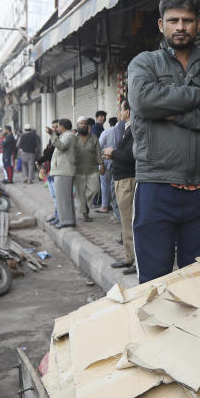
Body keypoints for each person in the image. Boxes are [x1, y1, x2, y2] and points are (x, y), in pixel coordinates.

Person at [127, 0, 200, 283]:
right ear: (161, 25)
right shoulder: (145, 63)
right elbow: (143, 101)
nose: (180, 26)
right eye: (173, 20)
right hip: (156, 185)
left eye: (187, 20)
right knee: (154, 280)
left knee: (197, 280)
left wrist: (177, 114)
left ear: (198, 25)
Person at [105, 100, 137, 274]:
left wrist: (113, 152)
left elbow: (131, 155)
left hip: (127, 180)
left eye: (121, 108)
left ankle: (134, 260)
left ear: (128, 112)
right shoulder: (126, 128)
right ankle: (128, 257)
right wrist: (114, 155)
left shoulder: (134, 129)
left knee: (129, 221)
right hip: (121, 179)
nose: (119, 111)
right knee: (125, 221)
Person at [47, 119, 77, 229]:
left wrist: (52, 134)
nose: (57, 129)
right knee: (63, 198)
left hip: (64, 170)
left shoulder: (68, 136)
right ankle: (67, 220)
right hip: (62, 170)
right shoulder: (65, 135)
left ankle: (66, 221)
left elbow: (61, 146)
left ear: (63, 127)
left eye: (58, 126)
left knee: (63, 198)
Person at [73, 116, 102, 223]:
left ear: (88, 125)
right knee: (80, 193)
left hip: (92, 169)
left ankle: (84, 204)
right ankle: (85, 213)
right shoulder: (73, 138)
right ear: (77, 125)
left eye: (85, 123)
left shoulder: (93, 138)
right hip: (78, 171)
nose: (83, 125)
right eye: (81, 123)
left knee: (95, 188)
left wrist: (102, 165)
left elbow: (98, 152)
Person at [97, 117, 120, 215]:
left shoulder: (106, 132)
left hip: (105, 161)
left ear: (109, 123)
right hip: (118, 161)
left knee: (105, 184)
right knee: (114, 185)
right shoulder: (122, 131)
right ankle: (115, 208)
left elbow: (99, 146)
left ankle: (105, 206)